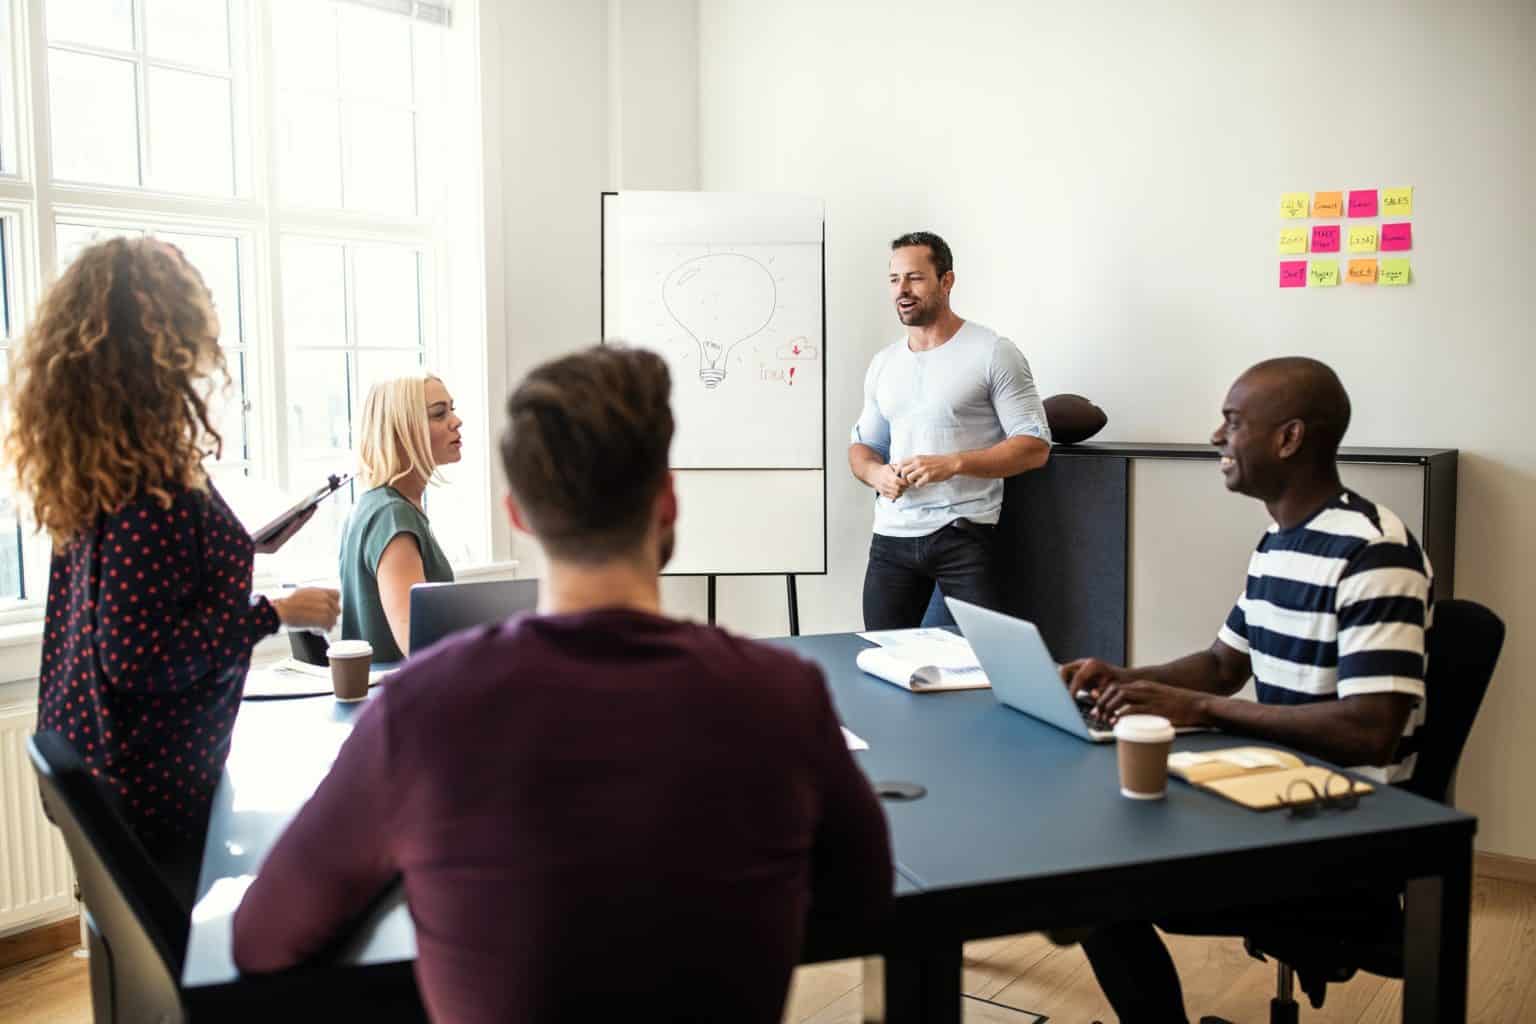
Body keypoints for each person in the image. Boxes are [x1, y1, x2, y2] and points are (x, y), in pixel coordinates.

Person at [232, 345, 892, 1023]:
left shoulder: (420, 711)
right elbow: (865, 904)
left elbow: (261, 939)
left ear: (519, 513)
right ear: (667, 501)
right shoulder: (784, 694)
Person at [1061, 357, 1434, 1024]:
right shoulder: (1279, 543)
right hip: (1269, 796)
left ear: (1288, 439)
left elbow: (1370, 729)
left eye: (1232, 423)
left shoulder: (1375, 552)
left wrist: (1197, 709)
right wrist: (1122, 676)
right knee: (1081, 856)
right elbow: (1219, 665)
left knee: (1089, 884)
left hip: (1341, 840)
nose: (1216, 437)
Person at [5, 237, 338, 897]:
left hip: (105, 771)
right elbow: (136, 655)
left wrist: (233, 558)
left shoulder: (102, 467)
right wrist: (272, 614)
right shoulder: (147, 482)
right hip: (150, 789)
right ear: (161, 339)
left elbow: (145, 599)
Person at [849, 231, 1051, 630]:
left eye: (915, 278)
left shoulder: (993, 352)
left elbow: (1034, 446)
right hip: (892, 538)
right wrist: (877, 474)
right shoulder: (884, 364)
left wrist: (954, 463)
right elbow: (863, 448)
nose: (902, 290)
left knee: (986, 664)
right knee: (884, 660)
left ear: (946, 281)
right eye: (894, 280)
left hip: (963, 535)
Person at [337, 373, 462, 662]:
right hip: (404, 700)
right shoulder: (392, 517)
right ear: (402, 430)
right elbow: (419, 648)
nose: (456, 421)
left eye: (452, 410)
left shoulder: (373, 507)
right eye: (439, 413)